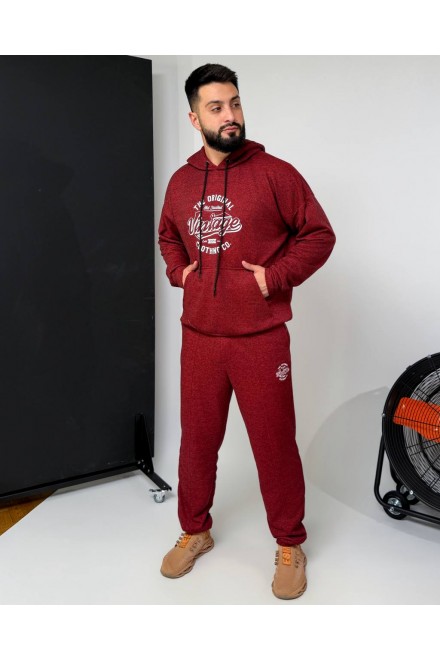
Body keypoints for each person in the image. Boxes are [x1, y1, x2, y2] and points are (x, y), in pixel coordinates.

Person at [158, 63, 336, 599]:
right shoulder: (181, 182)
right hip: (200, 338)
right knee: (197, 442)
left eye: (234, 103)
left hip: (261, 339)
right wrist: (179, 273)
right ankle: (195, 530)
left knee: (274, 444)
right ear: (195, 118)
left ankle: (289, 543)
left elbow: (319, 235)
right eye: (216, 107)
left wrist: (273, 278)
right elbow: (168, 237)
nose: (230, 115)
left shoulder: (276, 173)